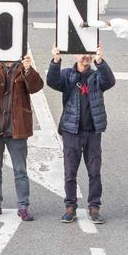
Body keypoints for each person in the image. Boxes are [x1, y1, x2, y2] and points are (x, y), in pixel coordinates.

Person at [0, 50, 43, 221]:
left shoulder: (23, 65)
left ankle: (23, 207)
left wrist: (28, 70)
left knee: (20, 170)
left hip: (17, 128)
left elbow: (36, 86)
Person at [47, 45, 114, 225]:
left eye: (88, 53)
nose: (85, 56)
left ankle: (94, 208)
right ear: (75, 55)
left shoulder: (97, 76)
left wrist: (100, 62)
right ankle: (70, 207)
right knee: (70, 172)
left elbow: (109, 82)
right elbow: (52, 81)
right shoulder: (67, 75)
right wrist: (55, 61)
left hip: (93, 132)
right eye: (81, 53)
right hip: (71, 131)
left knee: (94, 172)